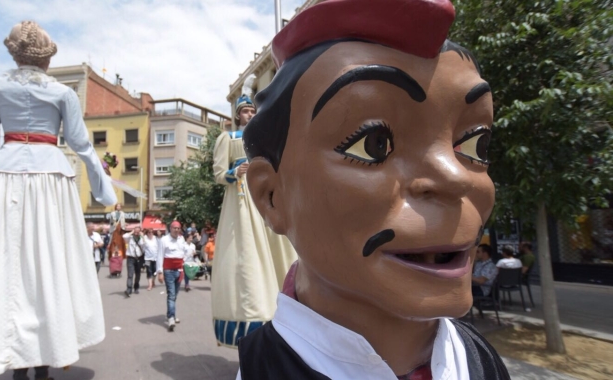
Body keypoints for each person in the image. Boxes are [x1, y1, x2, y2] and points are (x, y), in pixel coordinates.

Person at [237, 1, 510, 378]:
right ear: (272, 196)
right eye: (373, 144)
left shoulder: (479, 361)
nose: (457, 177)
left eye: (474, 145)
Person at [0, 21, 117, 380]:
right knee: (51, 264)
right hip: (51, 179)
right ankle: (45, 356)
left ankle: (14, 356)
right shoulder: (63, 93)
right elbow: (81, 145)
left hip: (6, 178)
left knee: (9, 268)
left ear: (14, 55)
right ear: (47, 60)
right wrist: (104, 191)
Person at [211, 74, 298, 348]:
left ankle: (289, 308)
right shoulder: (228, 137)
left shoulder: (263, 137)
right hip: (242, 201)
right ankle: (251, 316)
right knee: (246, 253)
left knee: (280, 248)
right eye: (244, 111)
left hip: (266, 196)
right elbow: (216, 173)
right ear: (237, 116)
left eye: (251, 110)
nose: (249, 114)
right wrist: (233, 171)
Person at [156, 221, 188, 332]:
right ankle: (170, 318)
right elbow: (160, 256)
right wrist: (160, 272)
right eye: (174, 228)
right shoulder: (164, 240)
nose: (176, 230)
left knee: (175, 295)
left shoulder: (181, 239)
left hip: (179, 270)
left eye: (178, 228)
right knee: (171, 294)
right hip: (168, 271)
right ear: (170, 228)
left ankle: (172, 314)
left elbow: (184, 252)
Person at [123, 227, 145, 297]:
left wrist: (143, 236)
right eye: (135, 232)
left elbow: (145, 245)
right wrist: (131, 232)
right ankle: (129, 289)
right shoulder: (130, 238)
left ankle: (136, 287)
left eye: (137, 232)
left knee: (138, 274)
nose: (136, 233)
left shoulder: (141, 238)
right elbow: (124, 236)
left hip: (139, 258)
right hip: (130, 258)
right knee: (130, 274)